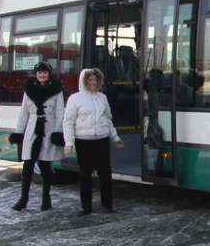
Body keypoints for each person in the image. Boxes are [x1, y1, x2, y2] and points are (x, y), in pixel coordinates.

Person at [63, 68, 124, 215]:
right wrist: (69, 143)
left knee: (105, 173)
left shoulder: (102, 97)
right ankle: (86, 207)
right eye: (89, 80)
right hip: (83, 141)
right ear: (84, 81)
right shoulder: (75, 99)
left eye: (95, 80)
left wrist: (115, 138)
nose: (92, 83)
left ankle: (107, 205)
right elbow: (68, 122)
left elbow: (108, 119)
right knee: (85, 174)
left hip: (102, 140)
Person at [9, 61, 65, 211]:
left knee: (46, 166)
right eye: (39, 72)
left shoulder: (57, 90)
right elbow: (23, 113)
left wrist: (58, 132)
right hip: (32, 130)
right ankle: (23, 199)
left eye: (45, 72)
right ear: (36, 74)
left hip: (49, 128)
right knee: (28, 164)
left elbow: (60, 113)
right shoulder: (29, 90)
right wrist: (18, 132)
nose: (42, 75)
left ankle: (46, 200)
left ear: (49, 73)